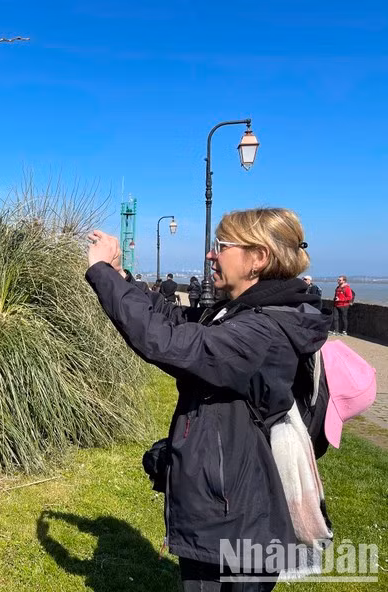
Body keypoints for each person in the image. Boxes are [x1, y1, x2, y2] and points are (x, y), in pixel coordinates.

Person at [85, 208, 330, 591]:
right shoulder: (241, 311)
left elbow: (168, 342)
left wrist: (100, 274)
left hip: (236, 517)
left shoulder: (262, 329)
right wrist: (120, 278)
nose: (211, 255)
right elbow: (174, 320)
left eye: (222, 246)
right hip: (227, 503)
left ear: (258, 258)